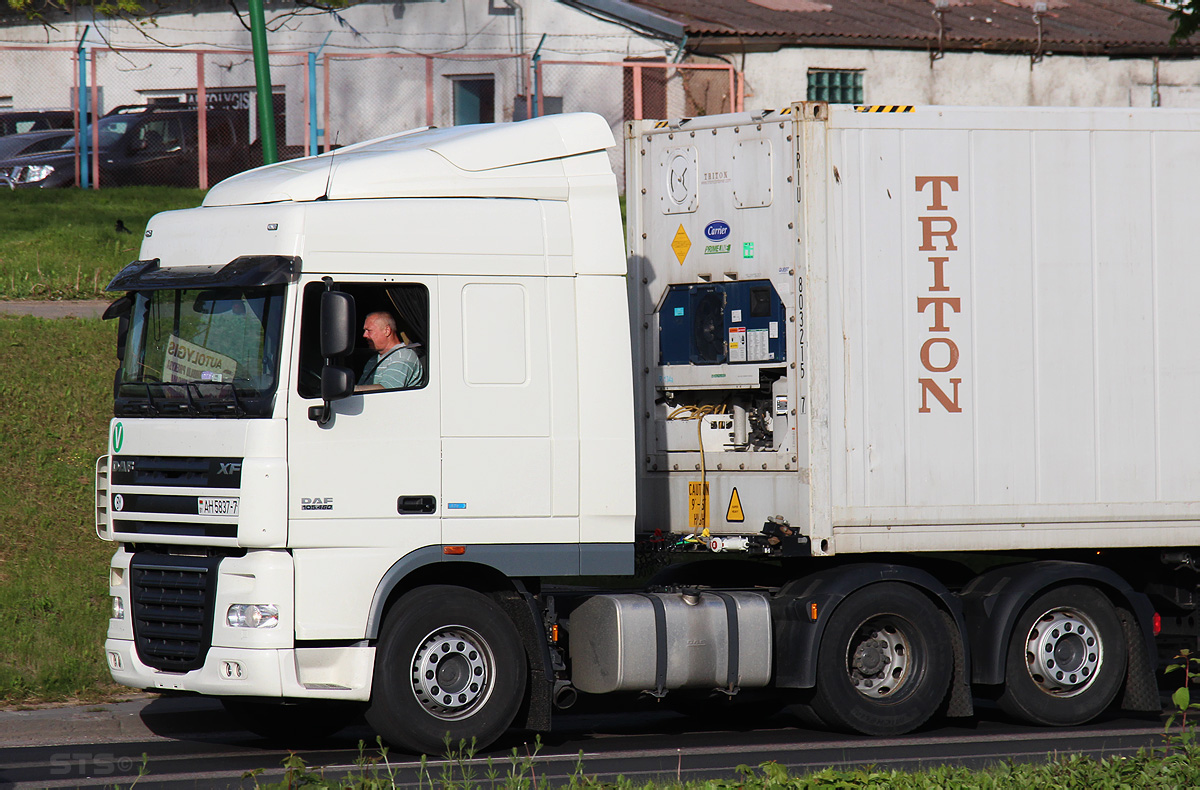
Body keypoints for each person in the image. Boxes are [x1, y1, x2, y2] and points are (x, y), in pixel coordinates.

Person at [355, 311, 422, 392]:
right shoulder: (373, 359)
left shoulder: (403, 356)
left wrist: (351, 389)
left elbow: (387, 389)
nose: (364, 335)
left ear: (387, 330)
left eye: (369, 330)